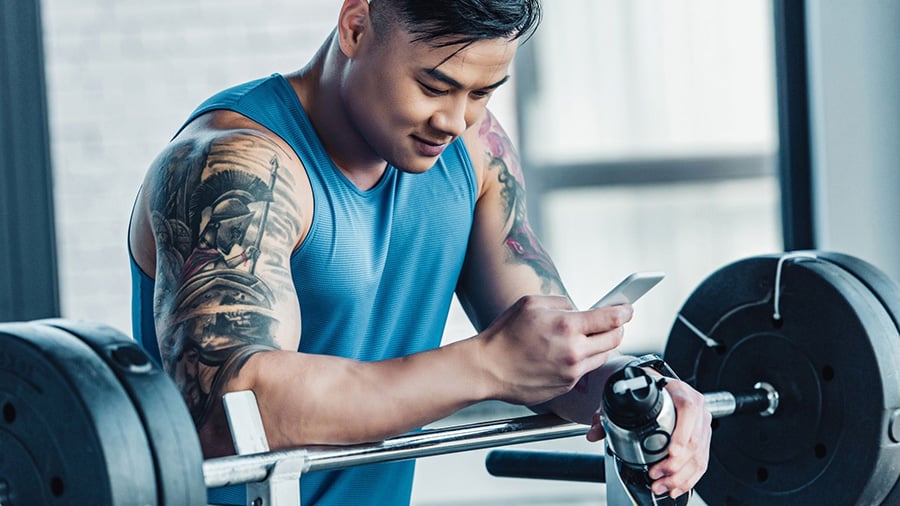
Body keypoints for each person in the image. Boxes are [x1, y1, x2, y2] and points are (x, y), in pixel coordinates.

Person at [128, 1, 712, 504]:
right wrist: (486, 365)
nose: (454, 120)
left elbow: (546, 354)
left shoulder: (475, 153)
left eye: (480, 93)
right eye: (434, 86)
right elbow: (228, 411)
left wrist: (640, 394)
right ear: (356, 26)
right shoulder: (234, 165)